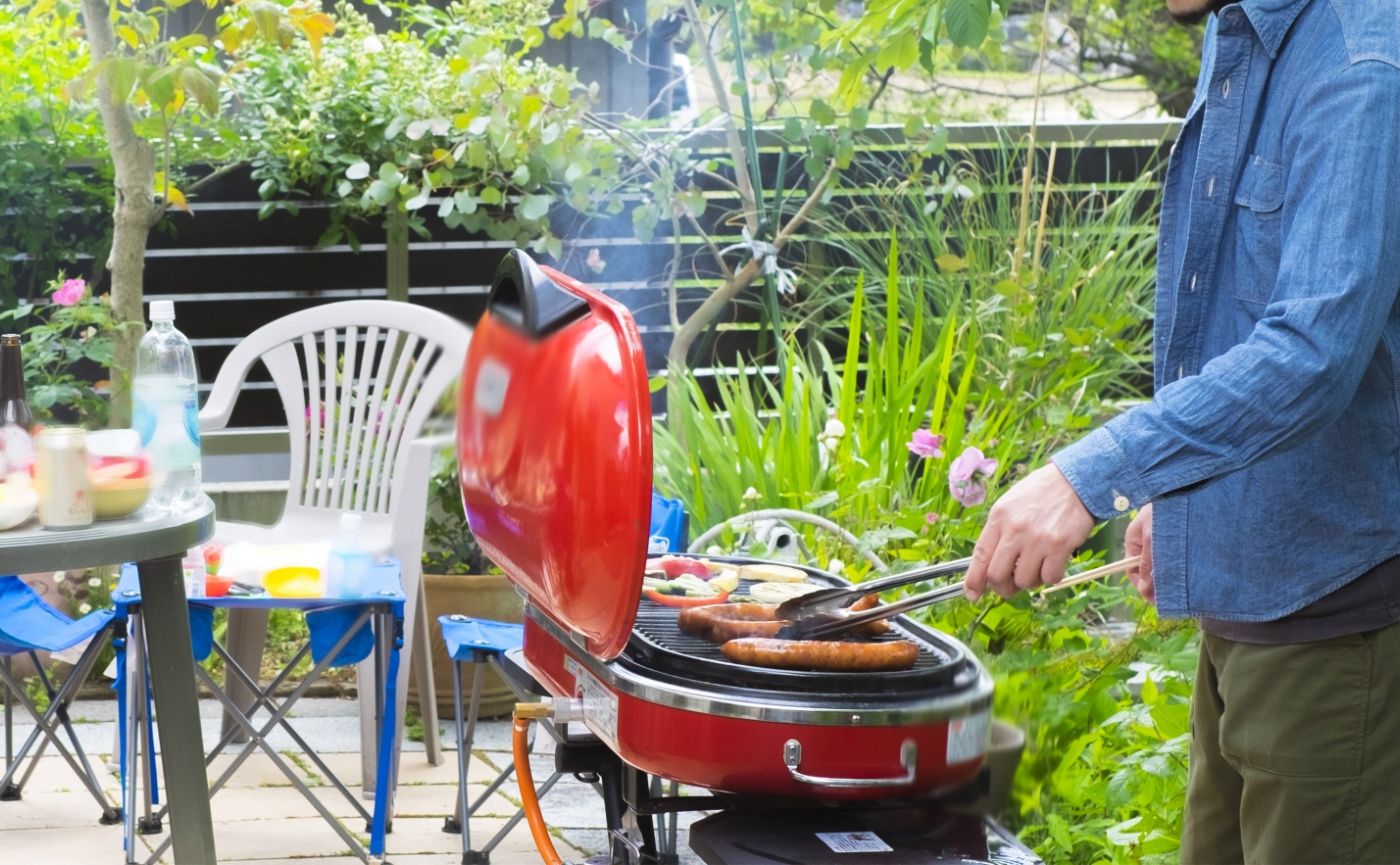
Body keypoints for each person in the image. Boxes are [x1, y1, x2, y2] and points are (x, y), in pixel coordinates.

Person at [959, 0, 1400, 861]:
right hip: (1247, 609)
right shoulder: (1244, 31)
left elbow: (1314, 350)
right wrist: (1194, 493)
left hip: (1337, 623)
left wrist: (1093, 474)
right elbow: (1240, 310)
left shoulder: (1360, 65)